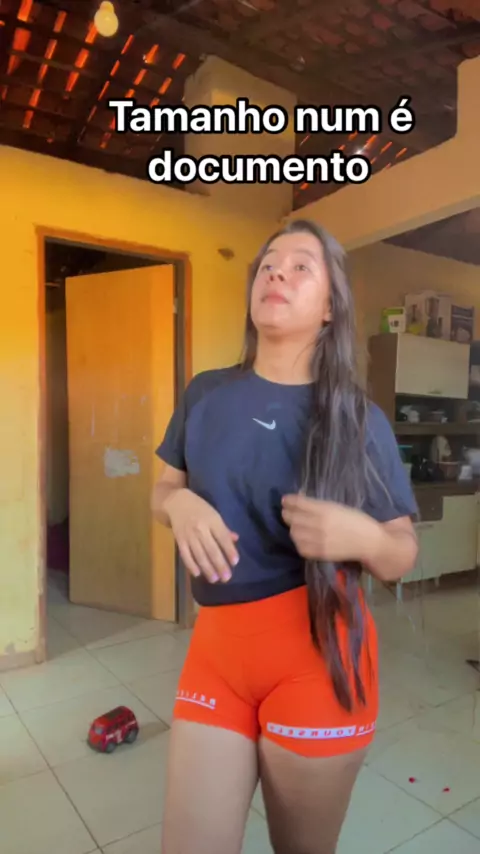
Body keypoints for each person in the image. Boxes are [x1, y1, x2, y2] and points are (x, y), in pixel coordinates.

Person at [152, 219, 418, 854]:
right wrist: (178, 505)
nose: (277, 272)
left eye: (302, 266)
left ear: (330, 307)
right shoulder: (205, 392)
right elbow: (162, 491)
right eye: (269, 263)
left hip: (321, 661)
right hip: (216, 653)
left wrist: (361, 535)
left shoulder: (358, 419)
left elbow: (400, 553)